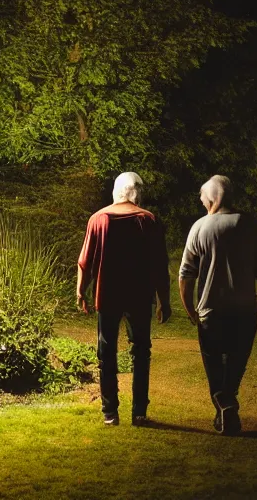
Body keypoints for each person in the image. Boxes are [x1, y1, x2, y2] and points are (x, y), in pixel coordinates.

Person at [179, 175, 257, 436]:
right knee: (237, 361)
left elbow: (186, 275)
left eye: (203, 200)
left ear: (211, 198)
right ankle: (227, 408)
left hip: (211, 311)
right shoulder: (251, 225)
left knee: (213, 363)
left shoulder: (200, 227)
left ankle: (224, 404)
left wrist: (190, 309)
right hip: (244, 310)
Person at [77, 172, 171, 426]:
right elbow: (159, 264)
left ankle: (110, 411)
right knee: (141, 351)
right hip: (140, 296)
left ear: (117, 191)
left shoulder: (98, 219)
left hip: (107, 295)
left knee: (106, 351)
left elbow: (85, 261)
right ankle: (139, 411)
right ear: (135, 192)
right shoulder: (148, 220)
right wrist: (164, 299)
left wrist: (81, 291)